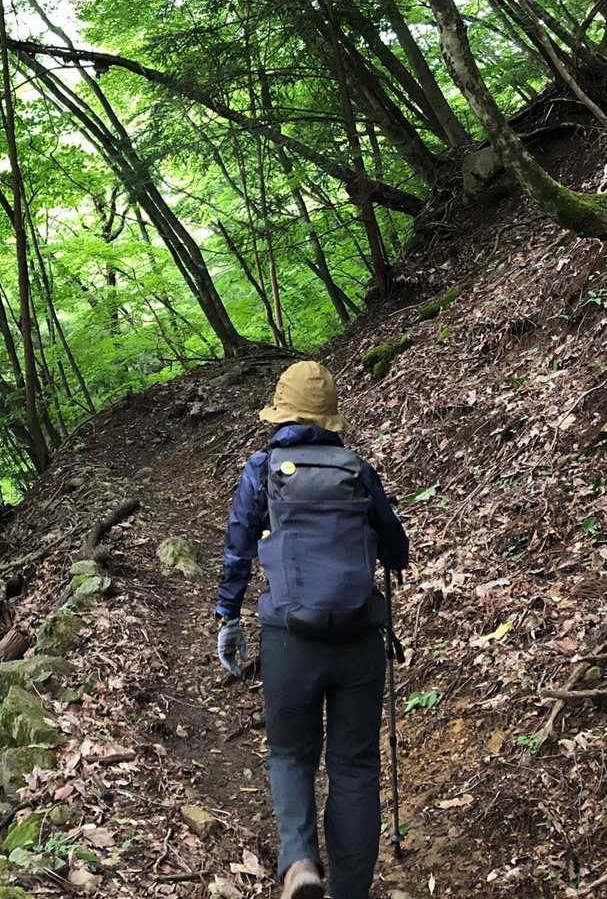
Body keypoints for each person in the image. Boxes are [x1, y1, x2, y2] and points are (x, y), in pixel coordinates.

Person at [214, 360, 408, 899]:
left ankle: (299, 862)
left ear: (280, 414)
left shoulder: (262, 469)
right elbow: (397, 550)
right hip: (358, 640)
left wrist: (228, 617)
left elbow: (237, 549)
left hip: (288, 640)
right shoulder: (357, 470)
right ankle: (351, 891)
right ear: (330, 417)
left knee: (291, 755)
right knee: (355, 766)